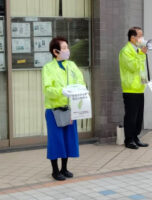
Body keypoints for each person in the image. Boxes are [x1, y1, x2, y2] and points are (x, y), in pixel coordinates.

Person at [42, 36, 86, 181]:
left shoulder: (71, 66)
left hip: (70, 108)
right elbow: (48, 89)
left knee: (68, 139)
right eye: (65, 48)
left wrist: (80, 91)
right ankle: (55, 170)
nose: (68, 50)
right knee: (56, 140)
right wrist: (62, 91)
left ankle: (64, 168)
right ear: (56, 51)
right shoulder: (48, 68)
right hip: (54, 110)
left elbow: (80, 81)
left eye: (67, 47)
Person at [119, 27, 149, 149]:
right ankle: (129, 139)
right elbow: (133, 67)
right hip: (130, 88)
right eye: (140, 36)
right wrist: (142, 54)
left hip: (139, 87)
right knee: (131, 116)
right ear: (132, 38)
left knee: (138, 116)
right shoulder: (126, 51)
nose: (142, 38)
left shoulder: (137, 50)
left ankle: (136, 137)